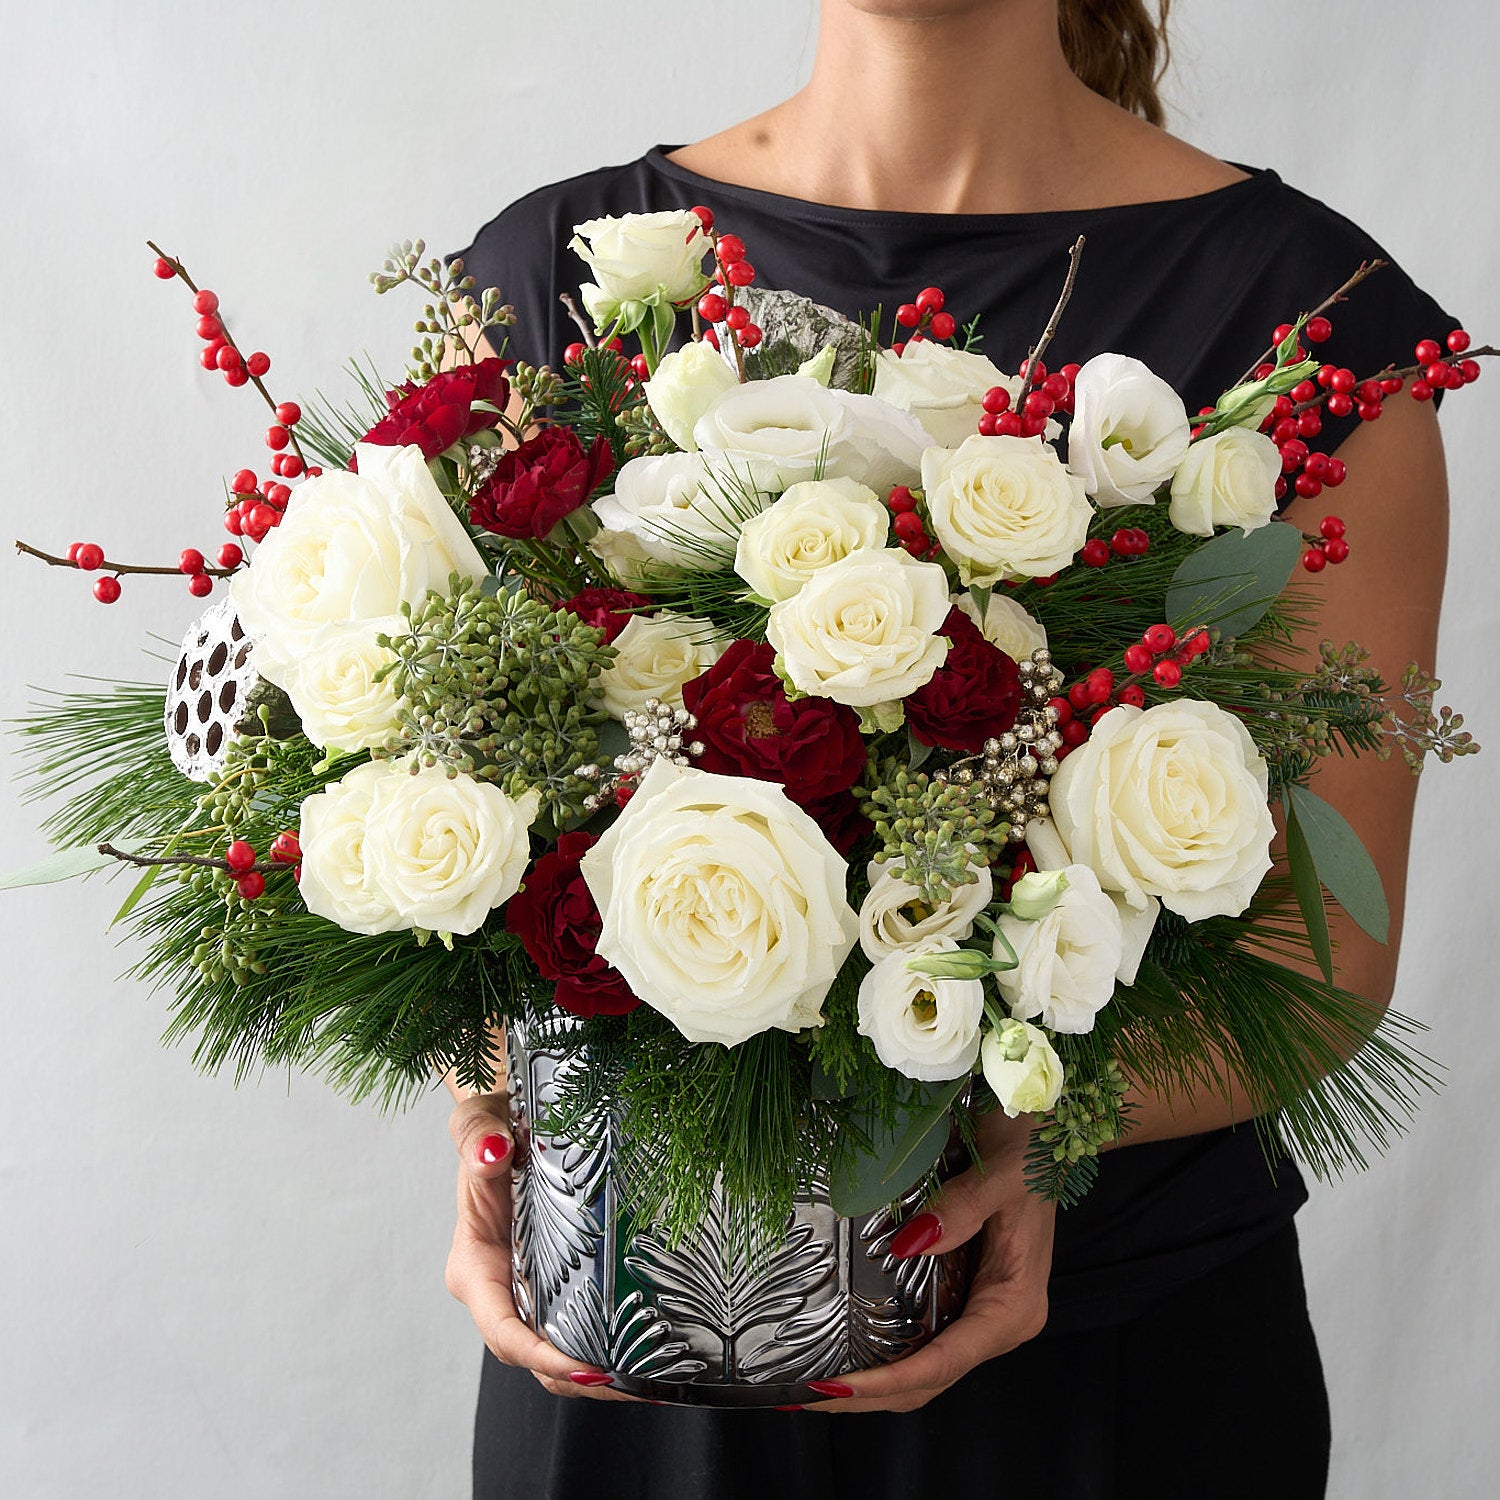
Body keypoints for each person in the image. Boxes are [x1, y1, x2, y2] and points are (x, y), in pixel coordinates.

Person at [442, 2, 1453, 1494]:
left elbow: (1319, 966)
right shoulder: (558, 274)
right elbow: (434, 831)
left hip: (1117, 1376)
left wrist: (1012, 1142)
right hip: (635, 1353)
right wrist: (492, 1117)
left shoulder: (1307, 321)